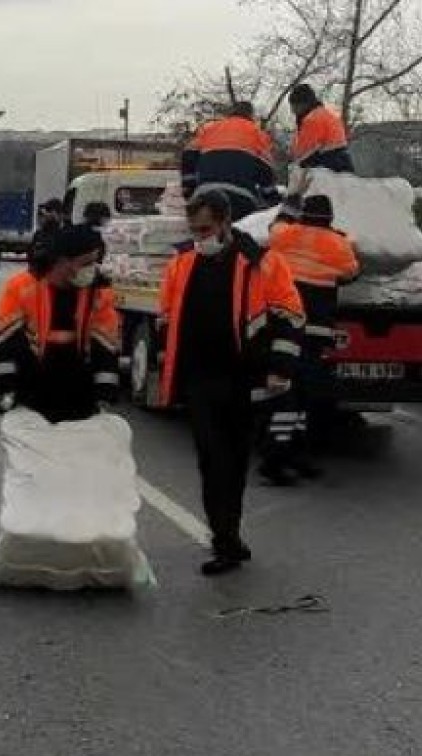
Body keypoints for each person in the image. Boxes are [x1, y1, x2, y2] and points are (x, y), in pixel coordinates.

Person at [157, 190, 305, 576]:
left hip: (242, 378)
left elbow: (289, 316)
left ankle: (230, 536)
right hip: (199, 379)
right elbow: (167, 314)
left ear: (225, 222)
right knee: (212, 460)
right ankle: (223, 540)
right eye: (194, 230)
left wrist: (280, 369)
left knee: (234, 462)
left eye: (205, 228)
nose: (199, 236)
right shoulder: (182, 262)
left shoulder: (261, 263)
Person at [263, 194, 360, 482]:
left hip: (286, 326)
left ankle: (288, 456)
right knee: (302, 394)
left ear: (303, 215)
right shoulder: (339, 244)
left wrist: (289, 206)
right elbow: (351, 273)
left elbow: (274, 228)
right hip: (316, 329)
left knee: (290, 392)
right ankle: (281, 458)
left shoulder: (285, 235)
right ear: (330, 219)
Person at [0, 224, 121, 424]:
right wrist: (5, 390)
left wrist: (105, 395)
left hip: (79, 391)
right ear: (63, 261)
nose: (93, 269)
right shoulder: (21, 288)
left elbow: (106, 347)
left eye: (95, 262)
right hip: (32, 387)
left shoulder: (99, 293)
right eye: (87, 263)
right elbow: (4, 344)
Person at [181, 101, 278, 221]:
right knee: (238, 234)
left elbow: (188, 154)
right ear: (251, 116)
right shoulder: (257, 133)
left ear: (230, 114)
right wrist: (273, 200)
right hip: (240, 197)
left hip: (206, 194)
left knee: (209, 234)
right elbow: (266, 171)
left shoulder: (210, 128)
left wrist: (189, 188)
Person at [289, 84, 355, 173]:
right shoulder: (326, 114)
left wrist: (293, 168)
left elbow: (304, 154)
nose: (293, 111)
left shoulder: (312, 119)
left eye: (294, 106)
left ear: (303, 103)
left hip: (328, 166)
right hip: (343, 163)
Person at [29, 199, 65, 265]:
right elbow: (31, 256)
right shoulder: (39, 234)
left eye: (49, 211)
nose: (45, 215)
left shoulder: (61, 234)